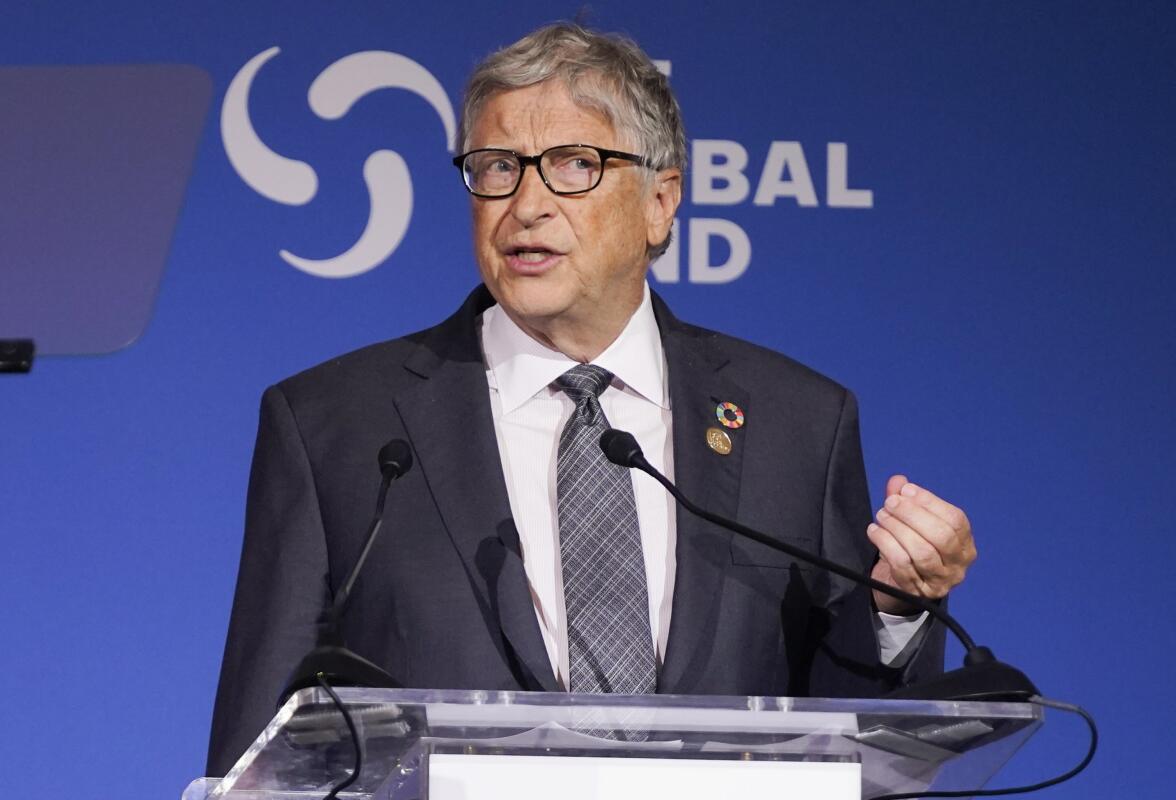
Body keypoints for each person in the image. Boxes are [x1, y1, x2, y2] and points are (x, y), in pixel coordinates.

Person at [207, 22, 976, 777]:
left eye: (573, 164)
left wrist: (896, 609)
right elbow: (259, 744)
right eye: (497, 166)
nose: (526, 204)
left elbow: (848, 744)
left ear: (661, 202)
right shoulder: (335, 425)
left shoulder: (797, 423)